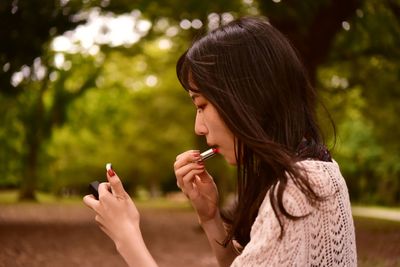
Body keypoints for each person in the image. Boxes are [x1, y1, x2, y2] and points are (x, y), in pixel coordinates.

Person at [83, 16, 357, 266]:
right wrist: (209, 216)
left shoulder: (296, 192)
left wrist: (126, 236)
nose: (198, 128)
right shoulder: (320, 168)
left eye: (201, 105)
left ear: (246, 98)